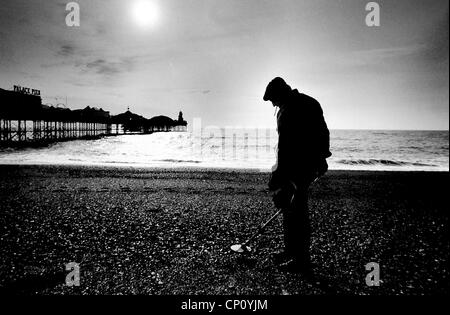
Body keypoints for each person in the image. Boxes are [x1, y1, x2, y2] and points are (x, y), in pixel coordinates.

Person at [263, 77, 331, 273]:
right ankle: (291, 252)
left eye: (272, 100)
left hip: (297, 167)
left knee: (296, 211)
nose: (273, 104)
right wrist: (322, 159)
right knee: (291, 207)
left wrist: (278, 177)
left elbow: (286, 147)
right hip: (311, 165)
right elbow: (324, 133)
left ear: (279, 94)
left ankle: (300, 260)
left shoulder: (287, 110)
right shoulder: (311, 102)